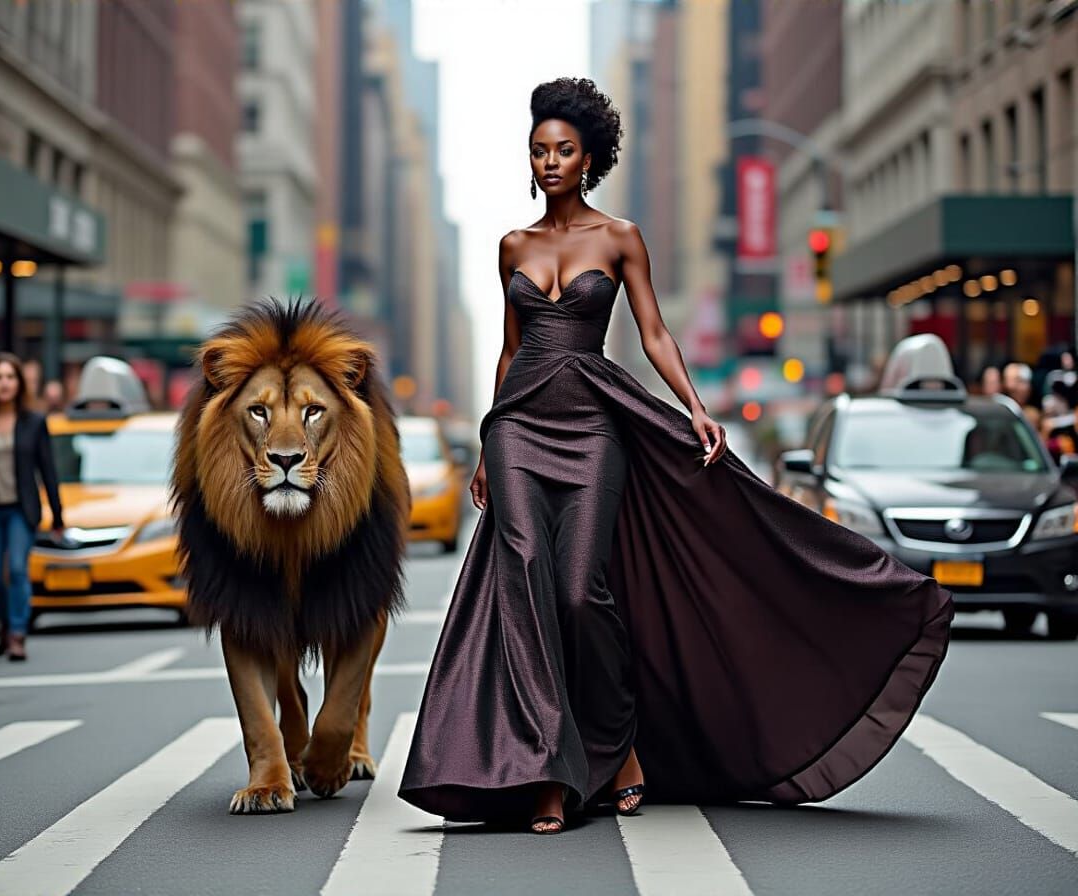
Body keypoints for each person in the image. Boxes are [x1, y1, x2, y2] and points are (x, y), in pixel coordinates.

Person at [397, 77, 954, 834]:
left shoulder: (619, 237)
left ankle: (616, 742)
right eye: (539, 150)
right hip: (520, 426)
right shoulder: (513, 246)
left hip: (594, 429)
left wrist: (693, 403)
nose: (551, 160)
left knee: (576, 592)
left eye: (564, 149)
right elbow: (510, 350)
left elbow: (654, 332)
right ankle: (549, 773)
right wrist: (492, 442)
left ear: (588, 158)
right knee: (524, 578)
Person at [0, 353, 65, 661]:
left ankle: (17, 633)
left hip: (20, 510)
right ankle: (4, 622)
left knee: (16, 568)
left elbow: (48, 470)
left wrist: (57, 514)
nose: (4, 383)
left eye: (10, 377)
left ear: (19, 383)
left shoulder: (34, 421)